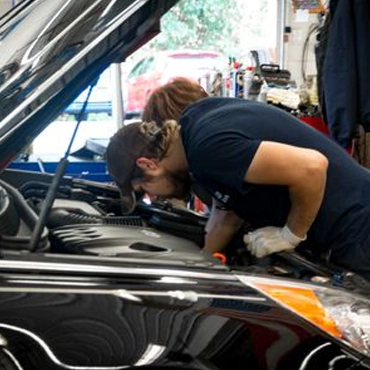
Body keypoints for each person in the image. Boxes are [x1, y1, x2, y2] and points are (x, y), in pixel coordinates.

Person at [106, 78, 370, 281]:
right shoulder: (194, 127)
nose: (154, 198)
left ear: (148, 165)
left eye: (143, 189)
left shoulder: (205, 149)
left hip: (357, 227)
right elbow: (227, 215)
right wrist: (202, 267)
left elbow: (312, 167)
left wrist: (290, 234)